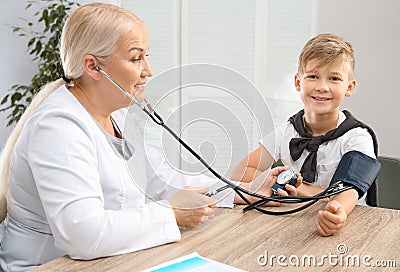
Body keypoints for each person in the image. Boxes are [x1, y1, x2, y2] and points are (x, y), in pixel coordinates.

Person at [0, 3, 298, 271]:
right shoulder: (58, 128)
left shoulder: (117, 115)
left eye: (146, 56)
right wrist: (172, 214)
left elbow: (162, 180)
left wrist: (241, 190)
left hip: (116, 261)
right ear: (93, 66)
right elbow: (82, 234)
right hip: (46, 266)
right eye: (135, 58)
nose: (148, 71)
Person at [230, 33, 378, 237]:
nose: (322, 87)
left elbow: (345, 194)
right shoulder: (287, 130)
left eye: (334, 78)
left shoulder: (357, 137)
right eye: (312, 76)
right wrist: (267, 184)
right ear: (298, 82)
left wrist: (304, 192)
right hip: (291, 226)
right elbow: (240, 174)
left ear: (349, 87)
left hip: (348, 231)